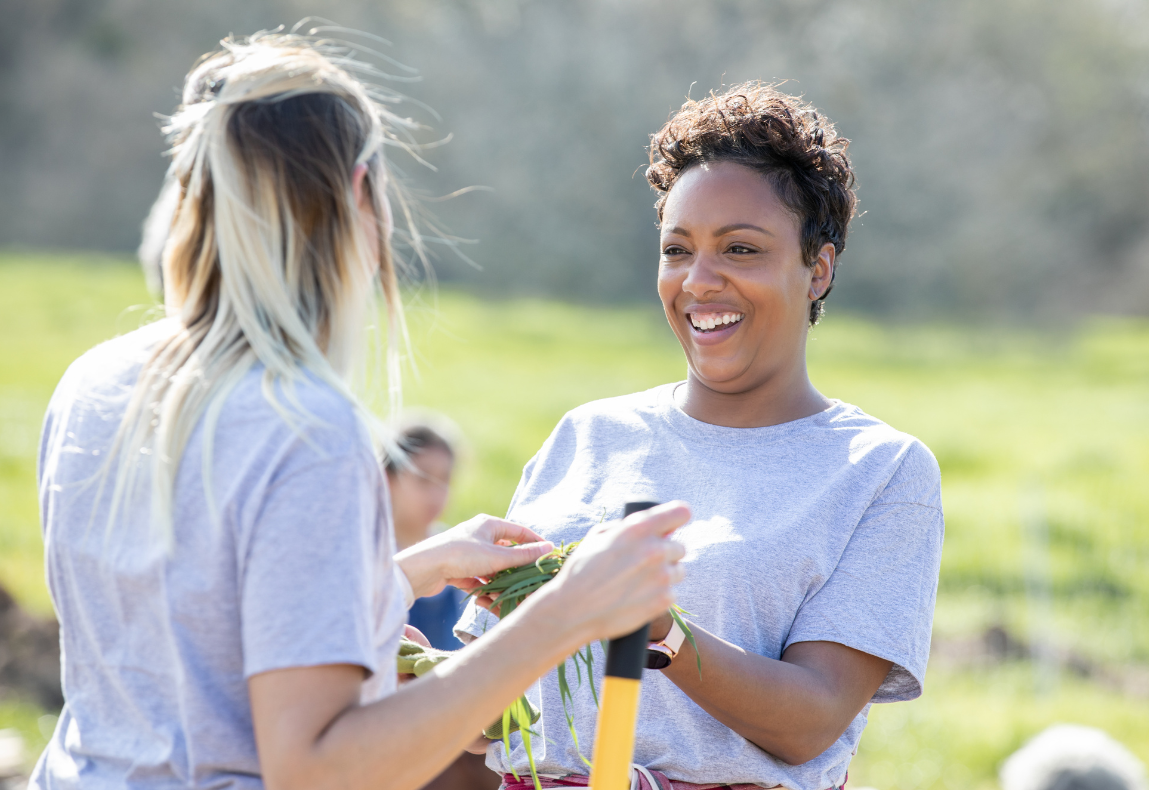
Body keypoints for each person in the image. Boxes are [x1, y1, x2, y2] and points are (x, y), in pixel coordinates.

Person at [31, 31, 690, 790]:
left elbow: (194, 624)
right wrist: (568, 613)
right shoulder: (304, 428)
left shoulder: (98, 379)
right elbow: (318, 767)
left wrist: (408, 572)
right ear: (354, 193)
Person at [455, 83, 945, 790]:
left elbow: (810, 721)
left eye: (740, 249)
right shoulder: (588, 435)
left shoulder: (879, 470)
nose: (699, 280)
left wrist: (659, 629)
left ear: (817, 269)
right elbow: (499, 717)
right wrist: (423, 676)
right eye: (677, 250)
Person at [385, 417, 468, 651]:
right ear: (388, 479)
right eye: (423, 478)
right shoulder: (370, 556)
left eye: (444, 480)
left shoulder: (461, 552)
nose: (435, 494)